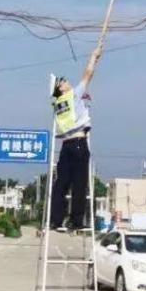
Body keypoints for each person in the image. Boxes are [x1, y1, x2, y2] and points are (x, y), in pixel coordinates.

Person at [50, 42, 103, 233]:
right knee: (79, 185)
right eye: (63, 82)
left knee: (61, 184)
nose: (66, 82)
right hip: (79, 143)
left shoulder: (57, 103)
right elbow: (88, 74)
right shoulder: (73, 95)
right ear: (61, 88)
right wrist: (94, 56)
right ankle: (76, 220)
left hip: (65, 147)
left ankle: (55, 220)